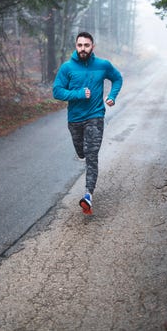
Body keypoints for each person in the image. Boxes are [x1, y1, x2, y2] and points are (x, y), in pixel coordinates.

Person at [53, 31, 123, 215]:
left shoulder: (103, 65)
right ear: (76, 46)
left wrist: (112, 96)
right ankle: (82, 154)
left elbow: (117, 78)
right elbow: (57, 91)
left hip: (95, 116)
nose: (83, 48)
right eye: (79, 45)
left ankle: (88, 196)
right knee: (82, 152)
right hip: (75, 120)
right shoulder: (67, 68)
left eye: (86, 45)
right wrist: (77, 94)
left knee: (91, 155)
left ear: (93, 47)